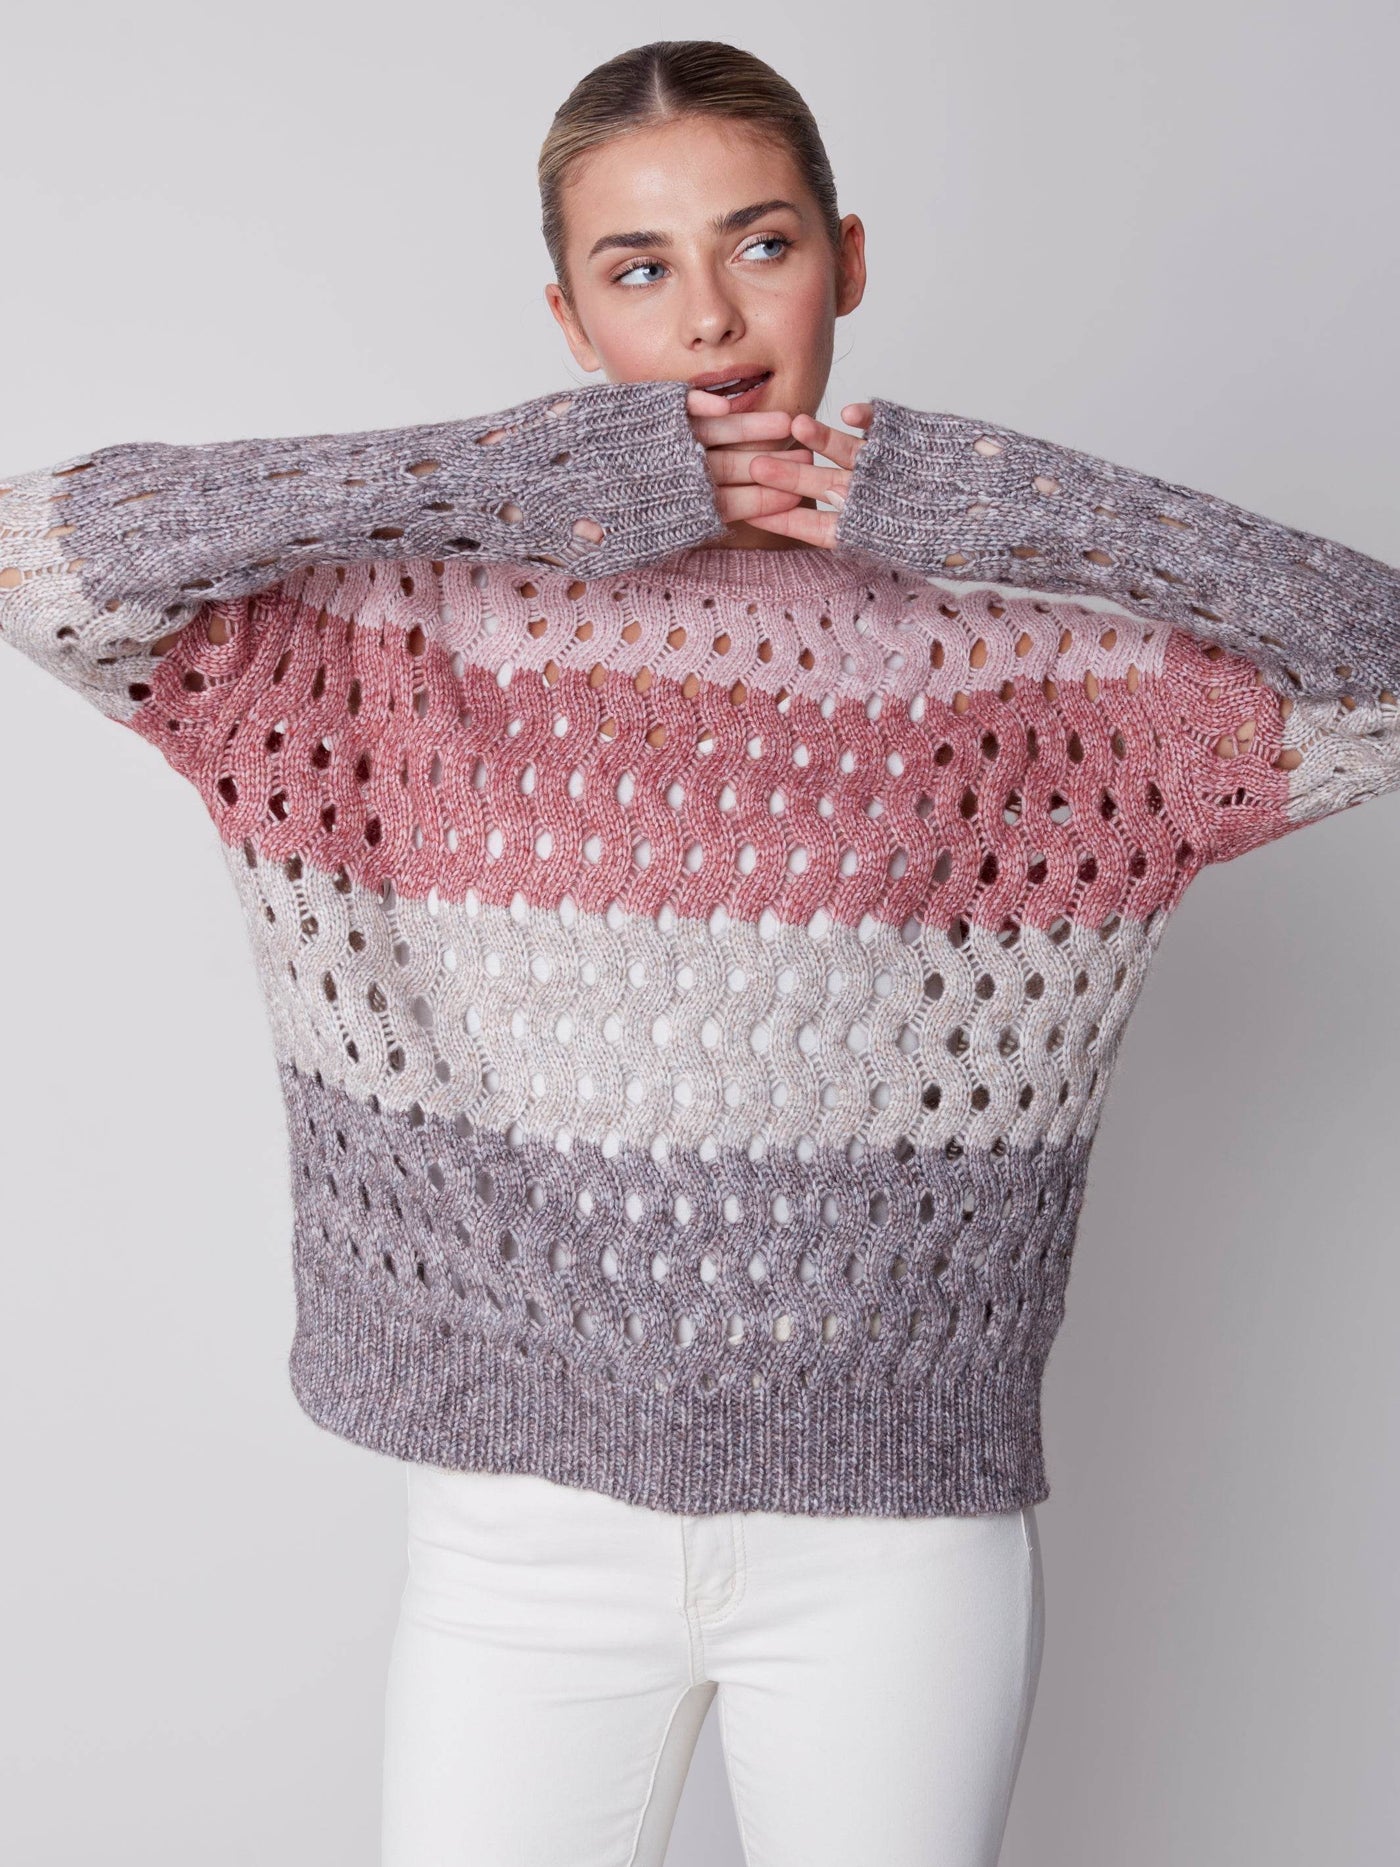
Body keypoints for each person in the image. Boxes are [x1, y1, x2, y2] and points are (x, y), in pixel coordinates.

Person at [3, 36, 1396, 1867]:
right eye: (639, 267)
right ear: (571, 321)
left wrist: (1006, 505)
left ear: (847, 260)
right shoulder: (408, 623)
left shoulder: (1031, 655)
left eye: (762, 243)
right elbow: (41, 563)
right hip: (518, 1541)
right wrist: (503, 474)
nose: (712, 317)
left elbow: (1380, 674)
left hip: (896, 1547)